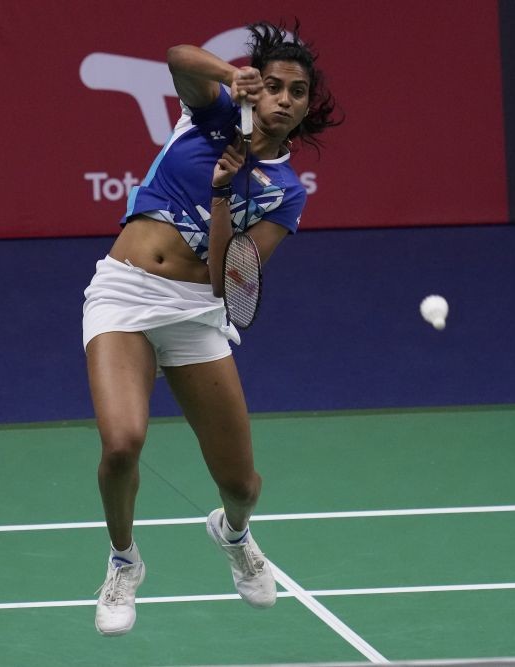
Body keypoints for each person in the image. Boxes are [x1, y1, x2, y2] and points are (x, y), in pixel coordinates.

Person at [82, 20, 340, 636]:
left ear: (307, 107)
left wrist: (225, 195)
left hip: (198, 314)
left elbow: (230, 281)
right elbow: (176, 57)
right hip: (125, 292)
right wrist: (231, 76)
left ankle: (233, 534)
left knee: (243, 484)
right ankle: (124, 562)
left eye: (296, 92)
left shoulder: (285, 193)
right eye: (273, 85)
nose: (282, 99)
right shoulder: (211, 116)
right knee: (122, 445)